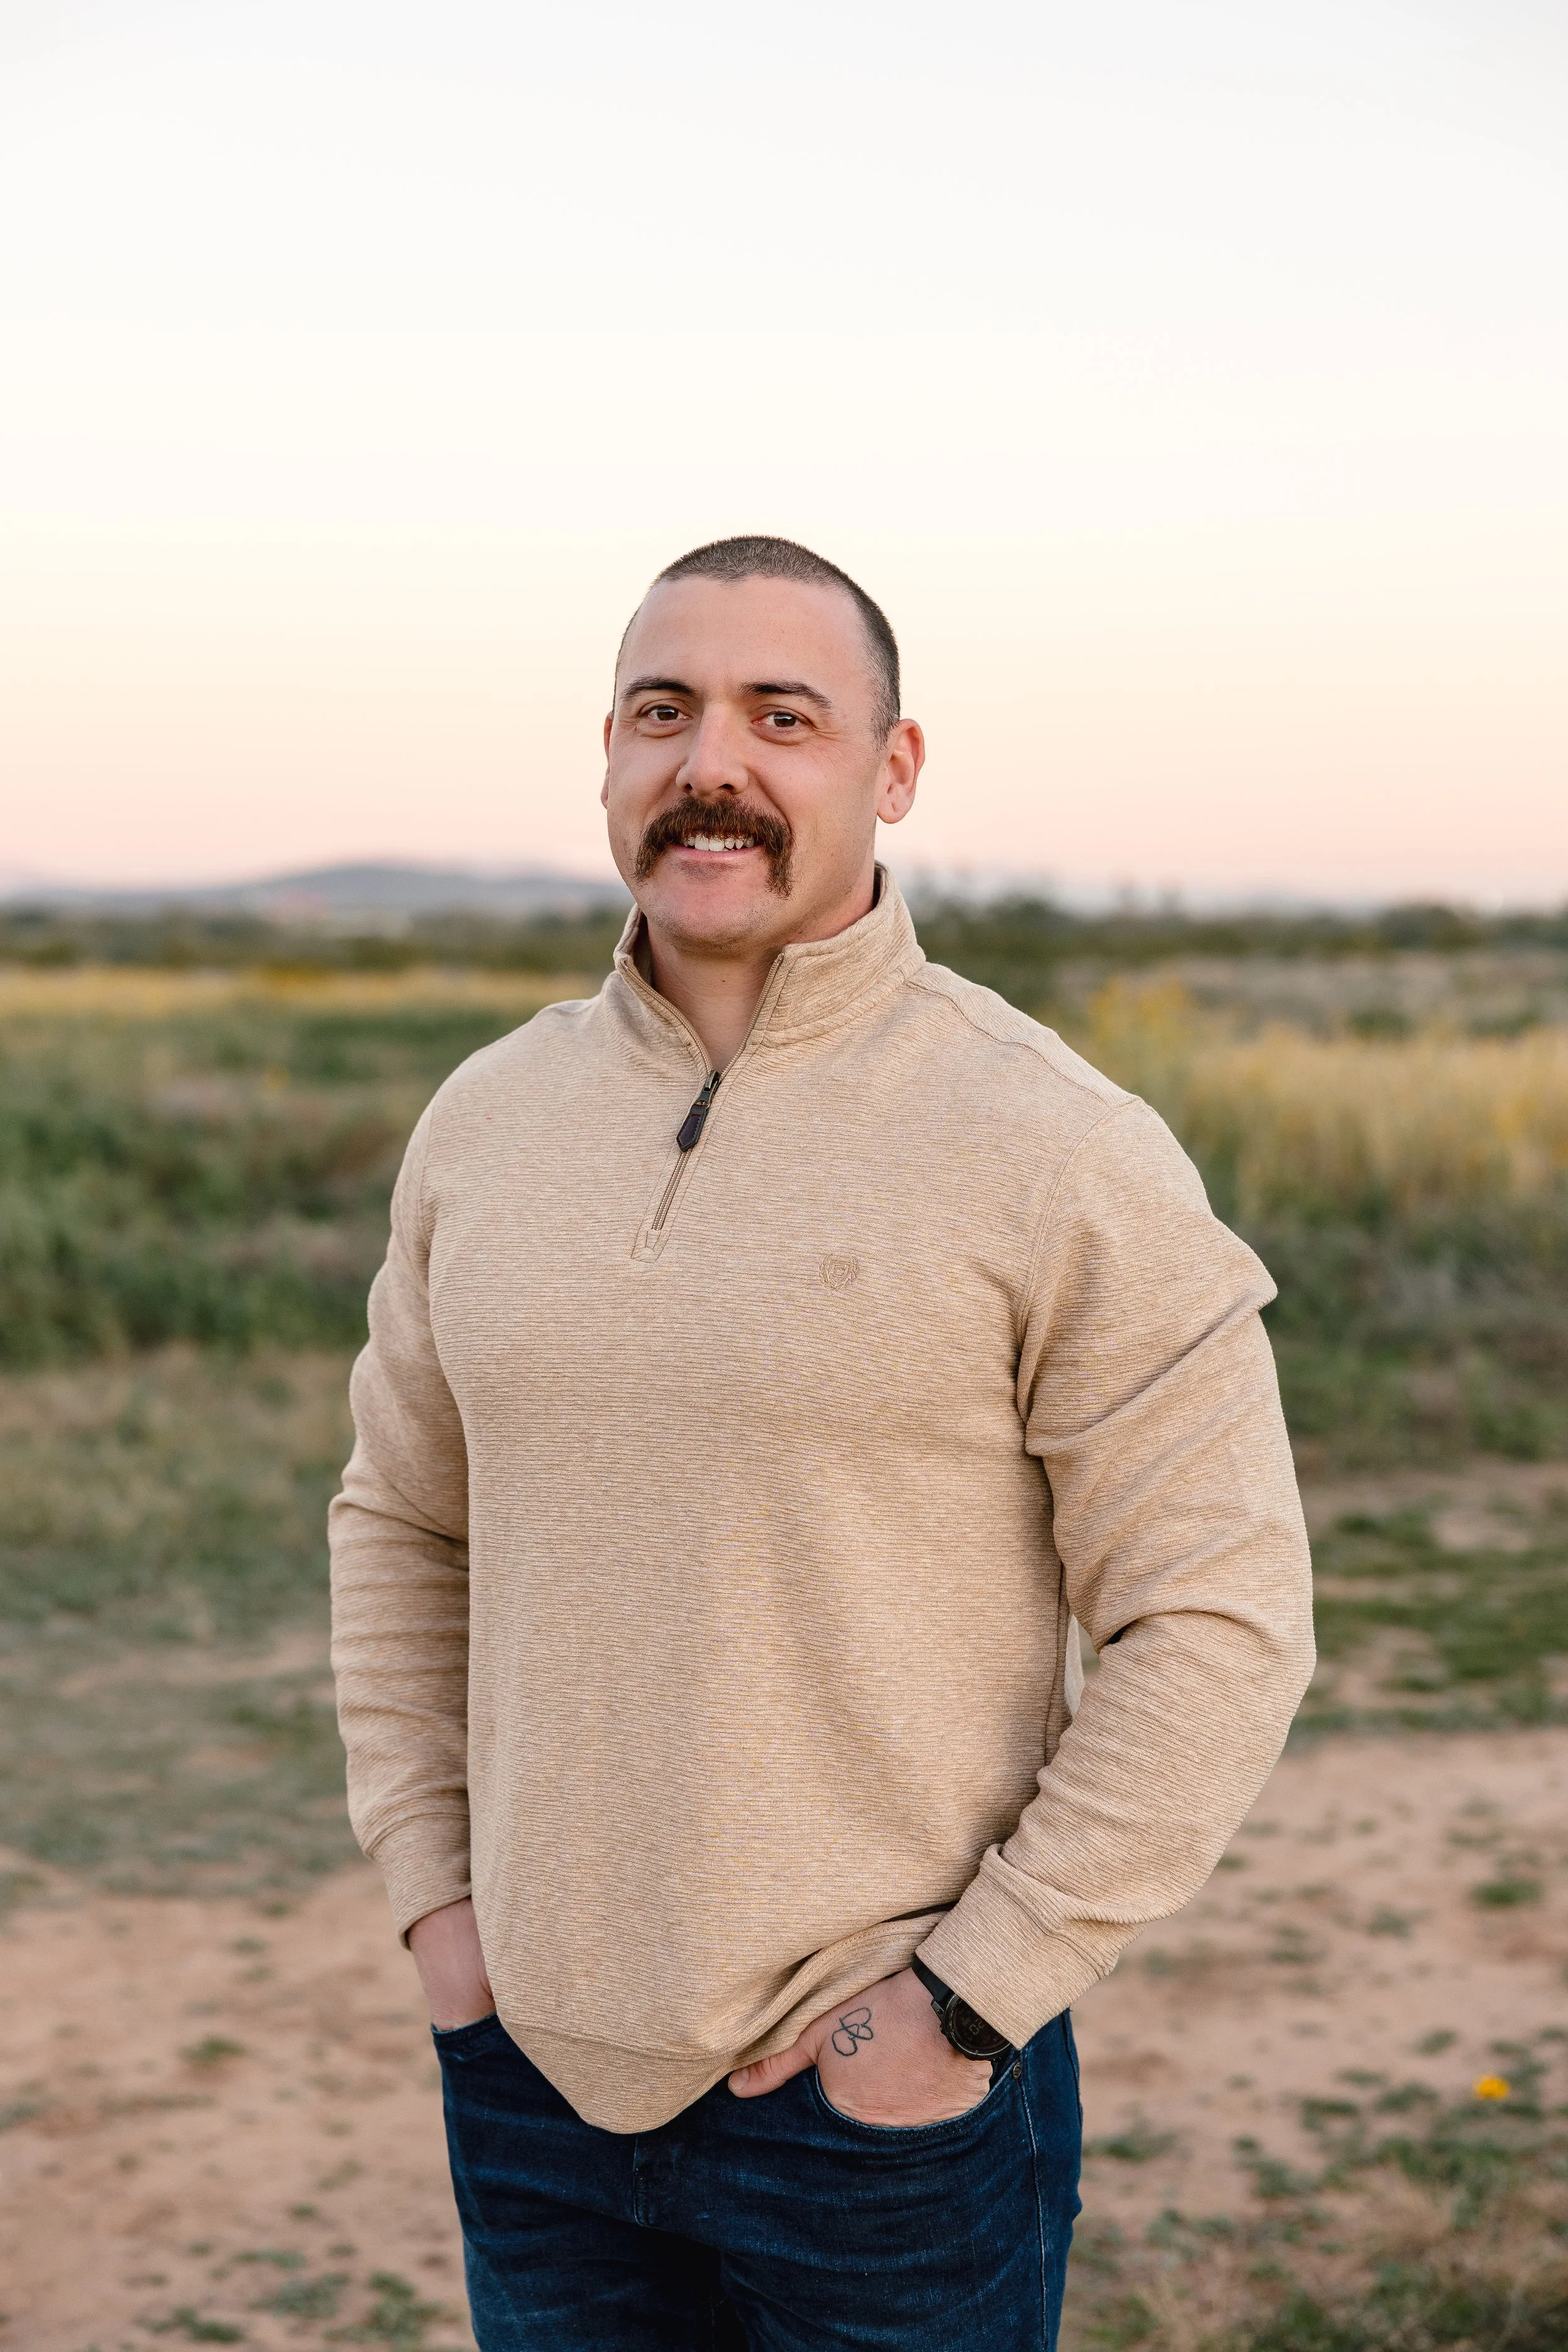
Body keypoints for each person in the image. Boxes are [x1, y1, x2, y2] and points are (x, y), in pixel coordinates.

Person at [329, 535, 1315, 2350]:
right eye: (663, 711)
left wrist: (965, 2002)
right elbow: (401, 1518)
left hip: (884, 2122)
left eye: (782, 717)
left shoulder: (1056, 1146)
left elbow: (1218, 1614)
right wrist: (438, 1904)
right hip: (531, 2087)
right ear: (608, 756)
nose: (712, 762)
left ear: (894, 767)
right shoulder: (483, 1123)